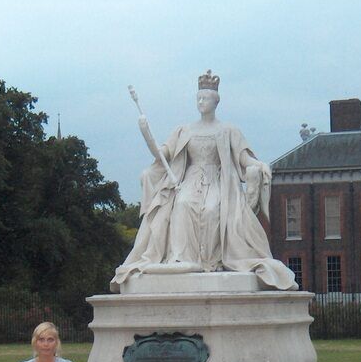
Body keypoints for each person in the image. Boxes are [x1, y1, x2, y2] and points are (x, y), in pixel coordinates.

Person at [110, 70, 298, 291]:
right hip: (190, 180)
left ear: (215, 102)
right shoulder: (184, 130)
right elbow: (161, 155)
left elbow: (243, 158)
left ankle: (210, 262)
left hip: (217, 181)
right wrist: (146, 133)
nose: (201, 102)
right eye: (198, 98)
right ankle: (181, 258)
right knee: (182, 205)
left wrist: (258, 165)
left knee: (211, 210)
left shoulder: (228, 130)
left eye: (205, 98)